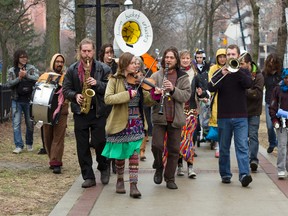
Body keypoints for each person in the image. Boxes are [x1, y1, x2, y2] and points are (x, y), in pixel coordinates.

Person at [102, 52, 154, 198]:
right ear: (124, 64)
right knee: (119, 155)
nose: (136, 65)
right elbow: (108, 98)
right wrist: (127, 95)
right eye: (132, 63)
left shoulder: (139, 80)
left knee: (133, 154)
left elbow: (147, 101)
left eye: (136, 63)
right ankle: (119, 179)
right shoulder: (114, 79)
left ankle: (133, 185)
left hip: (136, 121)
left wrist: (155, 95)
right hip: (120, 122)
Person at [62, 38, 111, 188]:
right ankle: (88, 176)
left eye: (89, 51)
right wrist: (75, 96)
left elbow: (110, 88)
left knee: (99, 142)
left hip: (98, 111)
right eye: (84, 51)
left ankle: (103, 167)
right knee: (82, 146)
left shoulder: (104, 69)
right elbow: (65, 90)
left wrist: (97, 84)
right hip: (80, 111)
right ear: (79, 51)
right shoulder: (72, 69)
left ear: (94, 51)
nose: (87, 54)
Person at [208, 44, 253, 187]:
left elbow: (248, 84)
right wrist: (223, 73)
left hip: (240, 116)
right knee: (224, 147)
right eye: (228, 55)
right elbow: (210, 87)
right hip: (224, 116)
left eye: (233, 54)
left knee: (242, 147)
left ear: (238, 56)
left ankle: (244, 174)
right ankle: (226, 174)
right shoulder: (220, 72)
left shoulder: (244, 71)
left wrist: (236, 70)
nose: (230, 57)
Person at [150, 46, 191, 189]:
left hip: (175, 118)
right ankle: (159, 167)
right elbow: (148, 97)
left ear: (176, 60)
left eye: (171, 57)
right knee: (157, 145)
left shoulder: (183, 77)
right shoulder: (157, 75)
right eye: (166, 57)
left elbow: (186, 95)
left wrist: (173, 89)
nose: (168, 60)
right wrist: (155, 94)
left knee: (174, 150)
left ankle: (170, 178)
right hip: (159, 117)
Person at [37, 53, 69, 174]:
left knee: (58, 136)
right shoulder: (44, 76)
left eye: (61, 62)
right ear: (53, 63)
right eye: (57, 61)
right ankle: (52, 158)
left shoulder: (66, 77)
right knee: (48, 135)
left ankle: (56, 162)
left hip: (62, 110)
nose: (59, 64)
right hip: (46, 110)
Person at [6, 49, 39, 154]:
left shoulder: (31, 68)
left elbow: (37, 78)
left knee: (30, 123)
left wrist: (26, 75)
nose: (24, 59)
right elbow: (9, 84)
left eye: (26, 57)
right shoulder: (12, 70)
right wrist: (19, 78)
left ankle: (29, 144)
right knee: (16, 123)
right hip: (16, 100)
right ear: (17, 58)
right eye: (22, 57)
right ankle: (18, 145)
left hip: (29, 100)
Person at [240, 53, 264, 173]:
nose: (241, 66)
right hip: (242, 111)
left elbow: (258, 94)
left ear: (249, 64)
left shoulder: (259, 76)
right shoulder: (238, 73)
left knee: (253, 135)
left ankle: (253, 160)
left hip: (254, 111)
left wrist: (244, 92)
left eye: (243, 63)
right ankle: (245, 160)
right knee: (243, 138)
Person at [176, 50, 197, 178]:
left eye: (187, 58)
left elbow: (202, 90)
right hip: (179, 111)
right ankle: (179, 165)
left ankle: (190, 166)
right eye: (183, 58)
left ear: (190, 59)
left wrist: (202, 94)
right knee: (179, 139)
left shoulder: (195, 74)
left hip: (192, 111)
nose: (185, 60)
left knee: (189, 139)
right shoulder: (176, 74)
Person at [99, 43, 118, 174]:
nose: (109, 55)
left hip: (115, 104)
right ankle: (106, 161)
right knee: (105, 136)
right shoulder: (98, 67)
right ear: (102, 54)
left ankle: (114, 160)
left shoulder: (117, 67)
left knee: (115, 134)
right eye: (107, 53)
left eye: (111, 52)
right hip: (102, 105)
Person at [207, 48, 227, 158]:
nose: (222, 59)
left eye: (224, 56)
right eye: (220, 57)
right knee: (217, 122)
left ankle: (224, 146)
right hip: (216, 98)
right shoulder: (213, 68)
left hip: (228, 98)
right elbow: (211, 82)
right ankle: (218, 146)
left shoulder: (230, 67)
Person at [269, 68, 288, 179]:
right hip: (281, 123)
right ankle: (281, 169)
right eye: (286, 78)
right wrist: (275, 120)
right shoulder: (277, 90)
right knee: (282, 145)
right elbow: (272, 106)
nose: (287, 80)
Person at [262, 53, 282, 153]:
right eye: (270, 61)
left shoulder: (281, 74)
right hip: (269, 102)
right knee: (270, 126)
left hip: (280, 104)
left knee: (279, 125)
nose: (271, 64)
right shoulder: (264, 74)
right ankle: (272, 142)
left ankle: (279, 143)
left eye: (273, 62)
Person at [192, 50, 210, 142]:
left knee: (206, 114)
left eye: (201, 57)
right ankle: (198, 132)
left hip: (206, 92)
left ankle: (207, 133)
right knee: (197, 115)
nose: (199, 59)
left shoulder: (207, 67)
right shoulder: (193, 67)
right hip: (196, 93)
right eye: (197, 57)